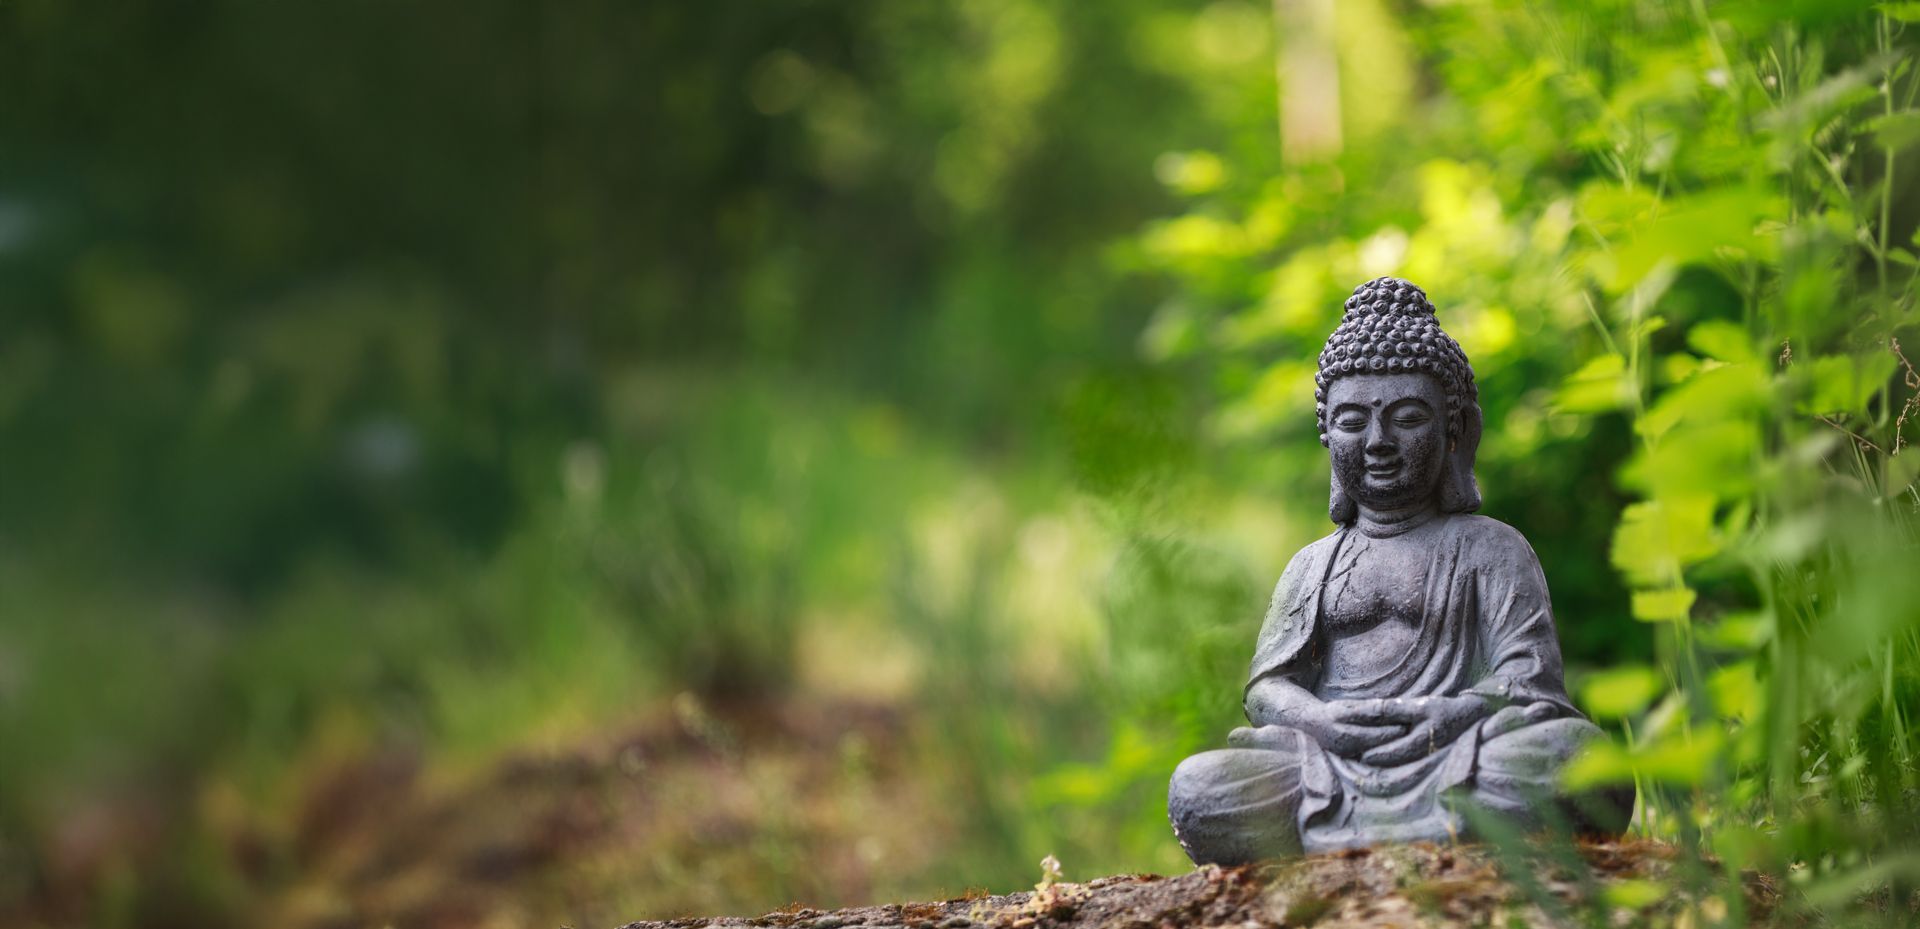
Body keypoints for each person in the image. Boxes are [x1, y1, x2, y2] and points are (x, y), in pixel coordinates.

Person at [1166, 277, 1632, 863]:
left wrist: (1454, 712)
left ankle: (1351, 838)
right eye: (1352, 421)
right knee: (1197, 786)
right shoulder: (1314, 564)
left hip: (1458, 748)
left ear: (1455, 431)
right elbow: (1267, 689)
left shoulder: (1491, 547)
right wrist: (1322, 722)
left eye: (1408, 417)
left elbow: (1530, 673)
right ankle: (1431, 830)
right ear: (1326, 433)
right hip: (1328, 764)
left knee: (1581, 761)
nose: (1378, 441)